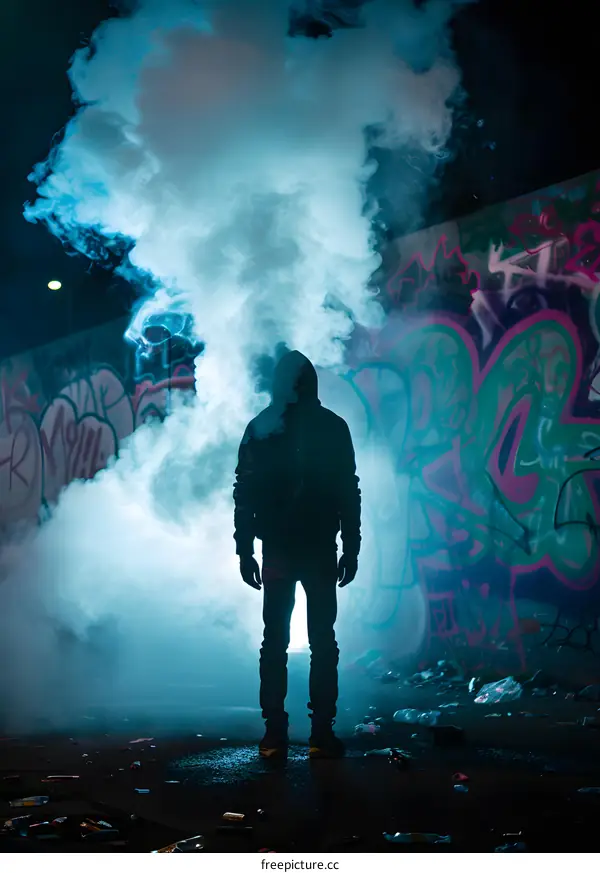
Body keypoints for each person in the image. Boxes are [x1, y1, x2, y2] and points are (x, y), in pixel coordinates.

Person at [233, 350, 361, 759]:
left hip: (279, 550)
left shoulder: (262, 427)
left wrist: (245, 549)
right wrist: (352, 546)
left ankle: (275, 733)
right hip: (320, 548)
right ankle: (321, 732)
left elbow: (244, 493)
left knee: (275, 641)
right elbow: (348, 491)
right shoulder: (333, 426)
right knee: (324, 641)